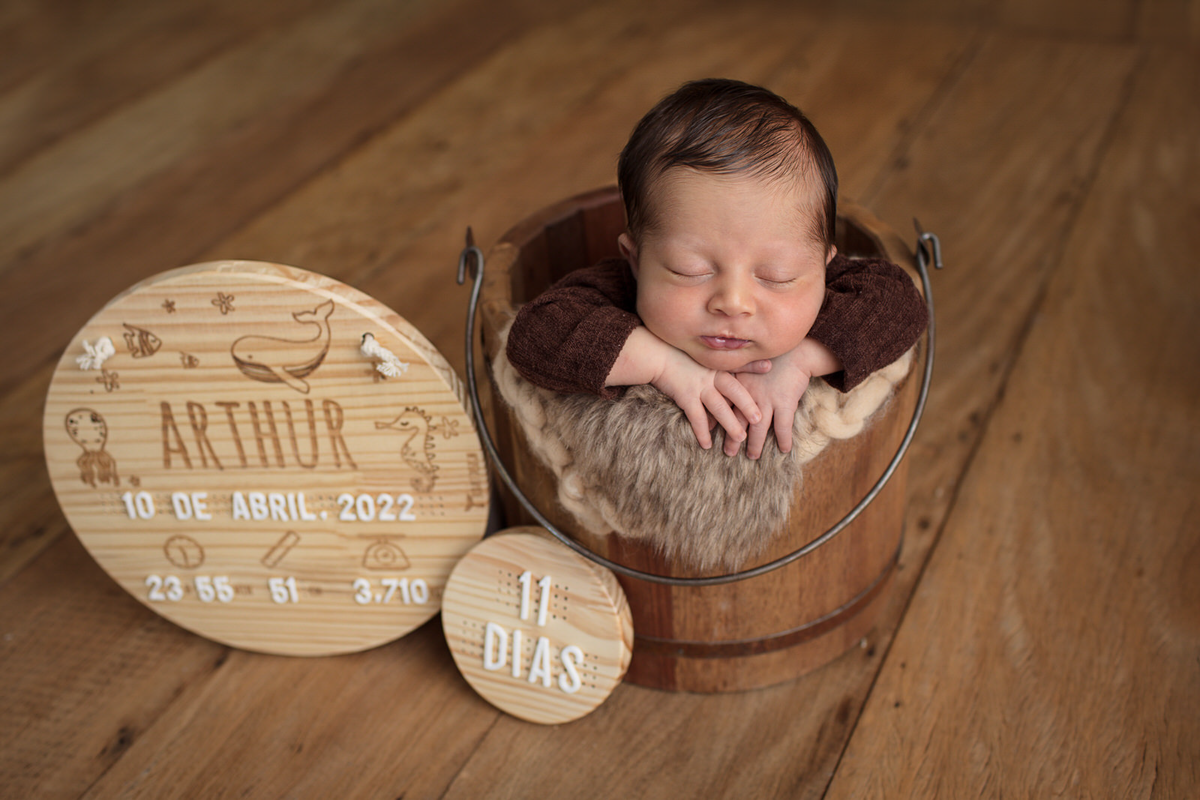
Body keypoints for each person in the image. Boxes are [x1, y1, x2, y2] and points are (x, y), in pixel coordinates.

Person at [506, 79, 927, 459]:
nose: (733, 302)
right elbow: (533, 336)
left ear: (822, 268)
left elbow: (901, 303)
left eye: (775, 276)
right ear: (636, 261)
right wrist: (660, 364)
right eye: (690, 270)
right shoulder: (616, 290)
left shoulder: (832, 288)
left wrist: (803, 358)